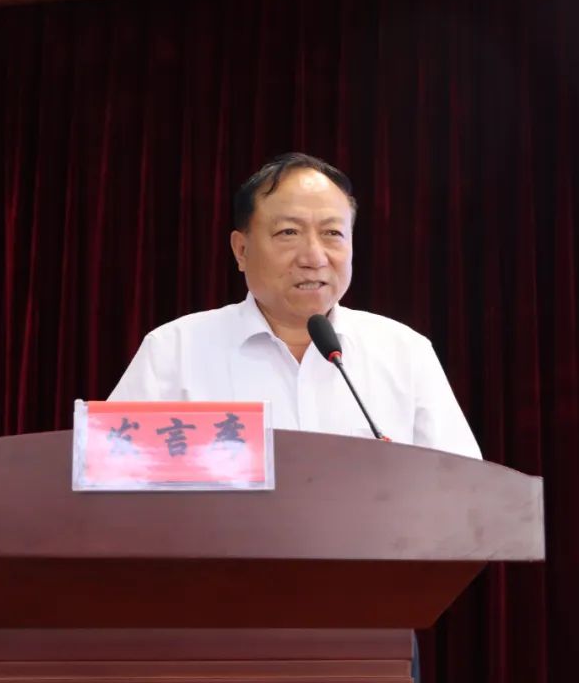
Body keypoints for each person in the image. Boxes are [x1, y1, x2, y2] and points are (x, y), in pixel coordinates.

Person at [109, 152, 481, 461]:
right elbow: (109, 471)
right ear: (241, 250)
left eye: (332, 233)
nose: (314, 257)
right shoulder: (173, 350)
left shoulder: (405, 352)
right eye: (288, 232)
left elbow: (464, 490)